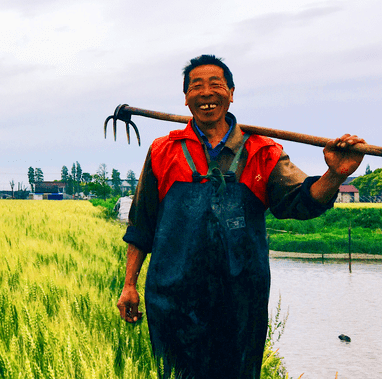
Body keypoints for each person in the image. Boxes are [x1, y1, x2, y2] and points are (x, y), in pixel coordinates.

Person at [115, 55, 365, 378]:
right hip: (171, 303)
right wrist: (129, 285)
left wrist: (335, 174)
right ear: (185, 96)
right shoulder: (163, 152)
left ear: (231, 93)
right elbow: (141, 226)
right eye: (197, 87)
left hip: (241, 307)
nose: (206, 94)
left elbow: (303, 200)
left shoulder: (261, 152)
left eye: (216, 85)